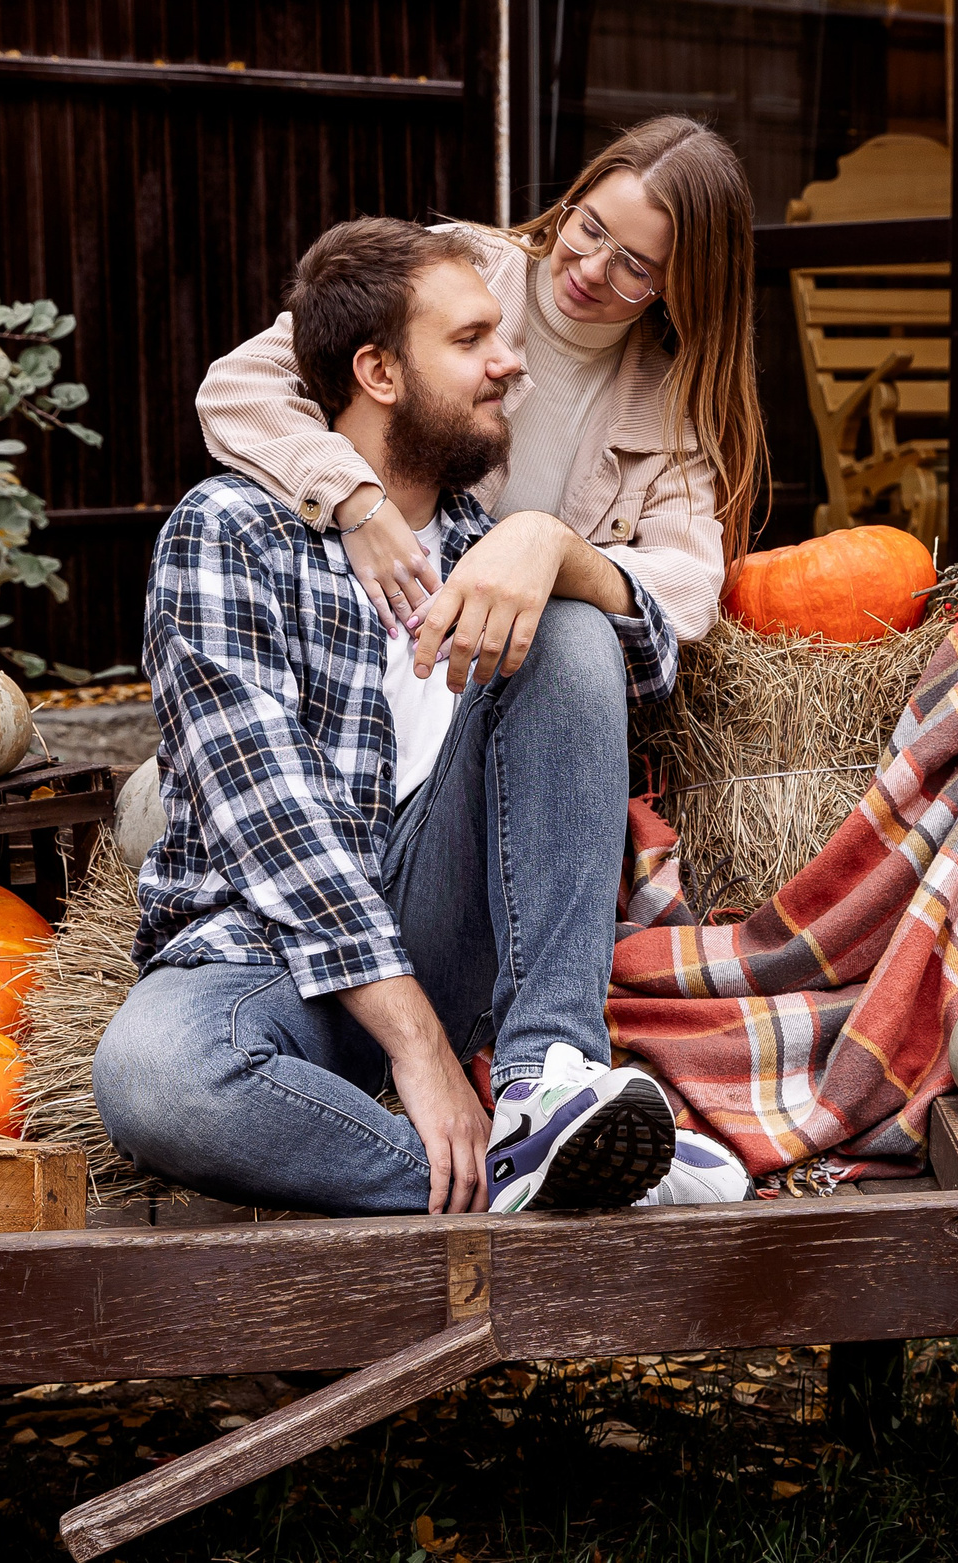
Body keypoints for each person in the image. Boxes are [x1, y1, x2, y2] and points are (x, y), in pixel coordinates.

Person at [96, 217, 747, 1216]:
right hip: (273, 955)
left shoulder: (496, 555)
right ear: (378, 371)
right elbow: (266, 819)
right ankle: (522, 1185)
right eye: (471, 341)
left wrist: (551, 545)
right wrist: (418, 1049)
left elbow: (651, 672)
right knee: (155, 1076)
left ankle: (546, 1082)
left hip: (451, 935)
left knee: (572, 622)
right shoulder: (229, 532)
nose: (509, 363)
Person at [197, 116, 766, 688]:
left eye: (635, 267)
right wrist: (356, 502)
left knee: (578, 644)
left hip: (500, 687)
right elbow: (240, 383)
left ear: (681, 285)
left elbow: (691, 587)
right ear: (571, 201)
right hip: (354, 629)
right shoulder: (458, 270)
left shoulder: (670, 403)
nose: (592, 269)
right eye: (590, 229)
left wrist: (549, 548)